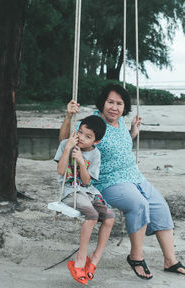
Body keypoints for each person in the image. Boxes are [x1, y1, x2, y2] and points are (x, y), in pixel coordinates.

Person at [59, 84, 185, 280]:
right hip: (108, 180)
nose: (114, 107)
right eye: (110, 102)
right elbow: (65, 142)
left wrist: (132, 132)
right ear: (102, 103)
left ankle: (170, 260)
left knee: (160, 207)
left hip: (134, 176)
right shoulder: (94, 123)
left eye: (119, 103)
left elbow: (118, 145)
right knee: (138, 204)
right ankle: (136, 257)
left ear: (124, 107)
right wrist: (69, 116)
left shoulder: (121, 121)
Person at [54, 115, 115, 285]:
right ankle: (80, 259)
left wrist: (81, 162)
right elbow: (60, 171)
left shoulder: (95, 154)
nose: (81, 137)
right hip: (69, 191)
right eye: (80, 132)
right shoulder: (65, 144)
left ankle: (94, 258)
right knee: (92, 215)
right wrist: (68, 148)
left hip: (88, 191)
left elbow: (87, 181)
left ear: (96, 141)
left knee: (110, 217)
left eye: (88, 136)